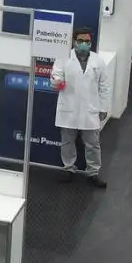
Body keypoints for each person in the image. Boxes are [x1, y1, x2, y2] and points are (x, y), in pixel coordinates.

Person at [52, 26, 111, 188]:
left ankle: (93, 172)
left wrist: (104, 107)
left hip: (90, 109)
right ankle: (68, 169)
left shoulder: (98, 61)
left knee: (93, 144)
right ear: (74, 42)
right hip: (68, 108)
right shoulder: (64, 57)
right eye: (81, 41)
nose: (84, 44)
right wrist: (57, 80)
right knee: (67, 142)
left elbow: (104, 86)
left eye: (87, 41)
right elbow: (56, 74)